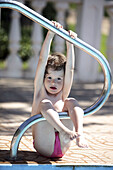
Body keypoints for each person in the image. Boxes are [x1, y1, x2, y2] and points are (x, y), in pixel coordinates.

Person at [31, 21, 88, 158]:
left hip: (64, 145)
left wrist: (70, 43)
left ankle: (80, 133)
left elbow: (70, 68)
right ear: (43, 78)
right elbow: (42, 60)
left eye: (58, 79)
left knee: (71, 101)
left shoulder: (63, 94)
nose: (53, 82)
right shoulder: (40, 92)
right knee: (45, 103)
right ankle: (62, 130)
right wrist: (50, 34)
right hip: (43, 144)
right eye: (49, 77)